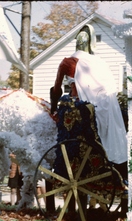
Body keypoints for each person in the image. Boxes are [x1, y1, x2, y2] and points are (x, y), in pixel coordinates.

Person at [50, 24, 127, 167]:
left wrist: (53, 108)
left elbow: (56, 90)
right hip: (103, 106)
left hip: (78, 107)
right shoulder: (100, 63)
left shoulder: (67, 62)